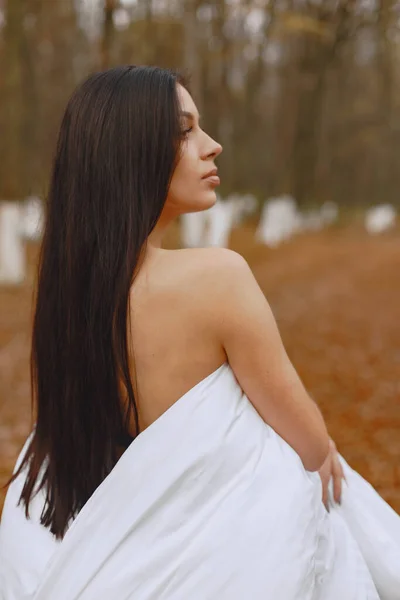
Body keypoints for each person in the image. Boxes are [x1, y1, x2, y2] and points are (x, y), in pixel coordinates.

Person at [0, 65, 399, 600]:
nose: (212, 146)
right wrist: (323, 449)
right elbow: (305, 441)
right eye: (185, 131)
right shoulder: (217, 278)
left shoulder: (69, 302)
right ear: (131, 152)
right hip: (218, 559)